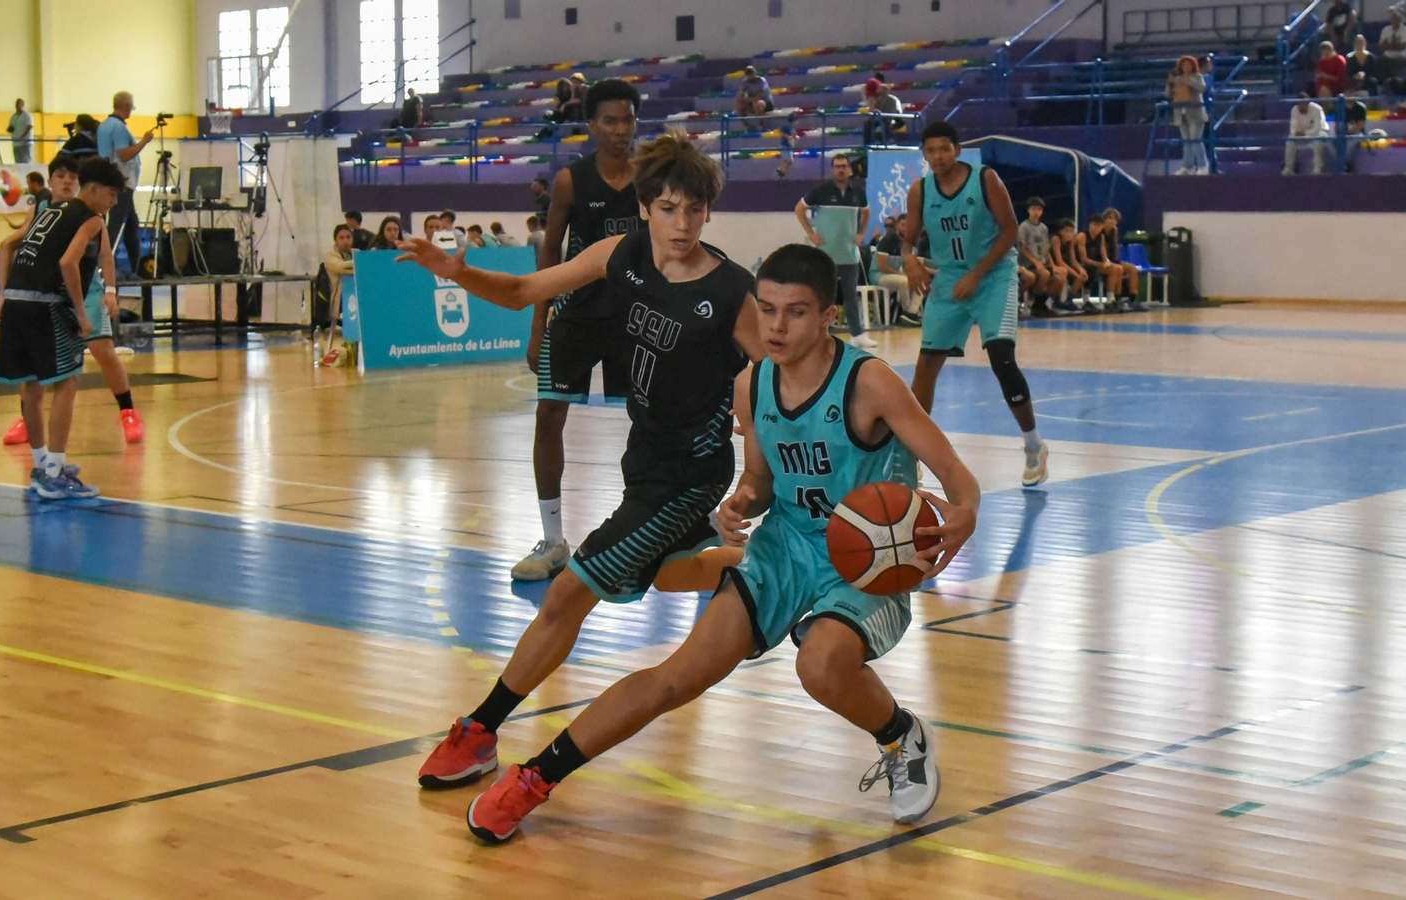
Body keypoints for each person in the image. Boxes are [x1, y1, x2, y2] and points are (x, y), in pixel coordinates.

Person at [456, 244, 980, 845]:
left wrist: (964, 513)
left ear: (829, 316)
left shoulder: (871, 383)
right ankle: (534, 779)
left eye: (797, 312)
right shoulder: (752, 385)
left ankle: (900, 737)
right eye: (767, 309)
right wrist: (742, 502)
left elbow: (955, 473)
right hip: (786, 548)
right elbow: (759, 479)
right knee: (676, 678)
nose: (776, 326)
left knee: (821, 663)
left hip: (871, 561)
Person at [399, 134, 762, 797]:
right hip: (643, 461)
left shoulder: (732, 291)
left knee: (568, 593)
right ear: (646, 208)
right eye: (669, 208)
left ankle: (480, 731)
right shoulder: (618, 256)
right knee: (676, 573)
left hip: (689, 476)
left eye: (695, 211)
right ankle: (742, 564)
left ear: (709, 213)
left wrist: (756, 476)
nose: (682, 225)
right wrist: (454, 272)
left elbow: (779, 373)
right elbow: (520, 290)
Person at [516, 79, 645, 582]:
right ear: (591, 125)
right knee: (549, 416)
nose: (620, 129)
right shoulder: (571, 182)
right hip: (576, 314)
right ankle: (552, 540)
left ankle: (655, 528)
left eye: (628, 119)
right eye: (610, 120)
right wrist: (537, 325)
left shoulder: (650, 178)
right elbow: (550, 252)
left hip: (635, 318)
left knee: (654, 421)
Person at [902, 122, 1048, 488]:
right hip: (950, 277)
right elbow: (909, 240)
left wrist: (978, 274)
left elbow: (1010, 231)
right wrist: (910, 259)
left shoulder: (985, 179)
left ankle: (1034, 445)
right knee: (925, 365)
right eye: (931, 150)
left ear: (957, 149)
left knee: (1001, 357)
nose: (938, 156)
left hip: (994, 275)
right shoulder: (920, 190)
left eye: (944, 149)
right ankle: (913, 453)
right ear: (924, 154)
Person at [0, 157, 126, 498]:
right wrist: (82, 314)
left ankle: (42, 466)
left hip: (16, 302)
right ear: (94, 189)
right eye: (112, 195)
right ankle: (54, 472)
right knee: (66, 384)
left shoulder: (48, 210)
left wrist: (3, 294)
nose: (114, 202)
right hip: (46, 305)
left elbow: (7, 244)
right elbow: (68, 261)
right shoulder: (91, 218)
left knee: (32, 387)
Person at [795, 154, 874, 349]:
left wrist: (861, 232)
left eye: (844, 166)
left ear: (849, 170)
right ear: (832, 170)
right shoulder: (821, 190)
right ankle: (818, 334)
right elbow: (799, 209)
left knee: (850, 295)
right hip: (825, 254)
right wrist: (811, 233)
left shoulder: (858, 191)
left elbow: (866, 211)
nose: (840, 169)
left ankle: (857, 334)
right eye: (837, 166)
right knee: (821, 296)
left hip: (849, 254)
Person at [97, 93, 156, 277]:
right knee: (115, 224)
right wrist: (144, 142)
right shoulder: (120, 128)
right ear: (127, 106)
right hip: (122, 181)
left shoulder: (104, 126)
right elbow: (124, 155)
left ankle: (136, 266)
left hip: (113, 179)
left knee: (131, 224)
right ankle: (105, 267)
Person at [870, 216, 920, 324]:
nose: (905, 228)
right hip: (879, 275)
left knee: (920, 282)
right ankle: (907, 312)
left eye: (908, 226)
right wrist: (902, 274)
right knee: (904, 281)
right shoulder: (889, 238)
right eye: (903, 225)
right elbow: (882, 265)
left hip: (895, 276)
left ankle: (912, 312)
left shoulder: (908, 244)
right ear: (897, 225)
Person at [320, 224, 356, 368]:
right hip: (339, 298)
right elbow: (341, 267)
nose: (345, 241)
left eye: (348, 237)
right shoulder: (330, 255)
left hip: (357, 295)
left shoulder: (356, 252)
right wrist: (360, 263)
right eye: (341, 238)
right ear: (336, 240)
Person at [1165, 56, 1208, 175]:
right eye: (1183, 65)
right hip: (1181, 114)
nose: (1186, 67)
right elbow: (1168, 94)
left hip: (1195, 114)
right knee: (1186, 142)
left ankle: (1202, 165)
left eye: (1188, 64)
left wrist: (1189, 81)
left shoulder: (1197, 76)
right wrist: (1170, 83)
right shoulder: (1177, 78)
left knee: (1196, 140)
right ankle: (1187, 166)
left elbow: (1202, 88)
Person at [1015, 198, 1055, 316]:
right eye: (1033, 209)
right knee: (1032, 277)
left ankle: (1039, 303)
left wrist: (1052, 264)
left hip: (1039, 261)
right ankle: (1017, 299)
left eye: (1039, 209)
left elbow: (1045, 248)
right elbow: (1022, 248)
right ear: (1028, 210)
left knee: (1057, 276)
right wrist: (1035, 262)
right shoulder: (1024, 226)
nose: (1036, 212)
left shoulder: (1043, 228)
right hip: (1025, 263)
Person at [1099, 208, 1142, 310]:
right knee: (1118, 269)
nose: (1112, 221)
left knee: (1133, 269)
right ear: (1104, 219)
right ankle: (1116, 299)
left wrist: (1117, 259)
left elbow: (1115, 246)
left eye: (1115, 220)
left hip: (1112, 259)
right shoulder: (1100, 231)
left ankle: (1133, 298)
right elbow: (1102, 248)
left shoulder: (1114, 230)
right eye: (1110, 218)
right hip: (1101, 260)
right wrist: (1107, 261)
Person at [1284, 95, 1333, 175]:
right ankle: (1288, 168)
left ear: (1308, 103)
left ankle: (1317, 169)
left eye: (1304, 104)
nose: (1302, 106)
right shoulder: (1294, 110)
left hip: (1317, 135)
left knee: (1319, 139)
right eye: (1300, 104)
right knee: (1290, 141)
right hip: (1301, 137)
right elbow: (1292, 128)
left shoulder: (1317, 109)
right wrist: (1296, 133)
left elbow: (1318, 128)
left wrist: (1305, 133)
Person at [8, 99, 34, 164]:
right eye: (16, 104)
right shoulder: (13, 117)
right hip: (16, 143)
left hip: (25, 143)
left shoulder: (27, 116)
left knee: (26, 161)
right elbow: (11, 127)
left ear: (22, 105)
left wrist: (23, 137)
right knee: (18, 162)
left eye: (19, 104)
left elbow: (29, 127)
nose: (17, 105)